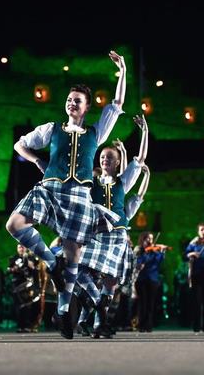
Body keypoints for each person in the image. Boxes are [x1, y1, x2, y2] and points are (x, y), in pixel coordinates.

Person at [5, 51, 127, 339]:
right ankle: (51, 261)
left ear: (85, 108)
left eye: (78, 101)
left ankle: (62, 314)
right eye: (70, 99)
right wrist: (37, 161)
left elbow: (118, 104)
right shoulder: (52, 129)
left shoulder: (96, 133)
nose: (72, 103)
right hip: (50, 188)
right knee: (15, 224)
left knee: (73, 255)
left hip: (80, 196)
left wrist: (122, 72)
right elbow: (19, 146)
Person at [77, 115, 149, 338]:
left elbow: (140, 159)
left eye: (109, 157)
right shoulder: (91, 180)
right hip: (96, 233)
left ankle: (98, 323)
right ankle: (83, 318)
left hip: (117, 234)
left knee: (111, 282)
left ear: (117, 162)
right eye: (102, 156)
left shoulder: (123, 182)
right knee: (81, 271)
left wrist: (144, 132)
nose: (104, 159)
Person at [134, 231, 166, 332]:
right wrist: (146, 253)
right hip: (141, 279)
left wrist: (162, 251)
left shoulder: (155, 251)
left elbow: (159, 261)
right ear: (143, 239)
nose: (150, 241)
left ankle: (149, 325)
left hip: (153, 279)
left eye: (151, 238)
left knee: (151, 303)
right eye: (148, 238)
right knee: (142, 302)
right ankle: (141, 324)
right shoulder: (139, 250)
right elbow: (138, 263)